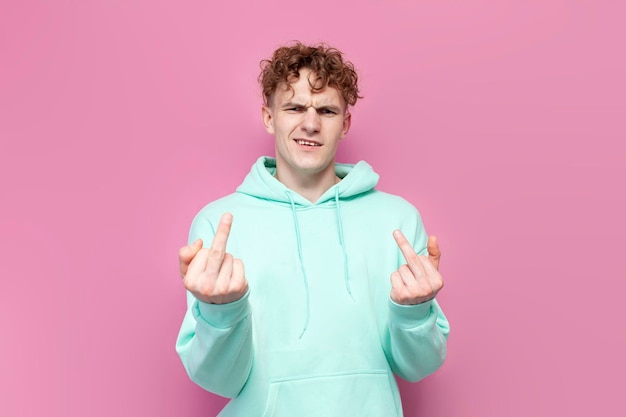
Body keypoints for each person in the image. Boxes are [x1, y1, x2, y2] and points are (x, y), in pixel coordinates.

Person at [176, 42, 450, 417]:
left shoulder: (398, 220)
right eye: (294, 107)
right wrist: (221, 313)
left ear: (345, 123)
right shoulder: (218, 223)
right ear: (269, 117)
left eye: (326, 110)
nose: (310, 123)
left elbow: (418, 368)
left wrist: (416, 313)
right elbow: (217, 380)